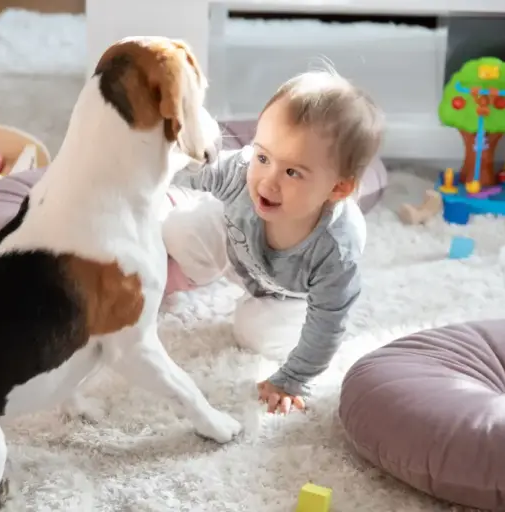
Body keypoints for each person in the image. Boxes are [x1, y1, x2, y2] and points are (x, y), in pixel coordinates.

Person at [161, 69, 385, 414]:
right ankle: (176, 277)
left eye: (293, 172)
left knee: (260, 337)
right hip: (234, 243)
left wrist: (293, 378)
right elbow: (195, 168)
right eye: (263, 157)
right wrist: (157, 157)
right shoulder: (243, 173)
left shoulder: (335, 251)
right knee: (179, 226)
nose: (267, 181)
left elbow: (328, 323)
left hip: (284, 291)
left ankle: (256, 314)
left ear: (338, 188)